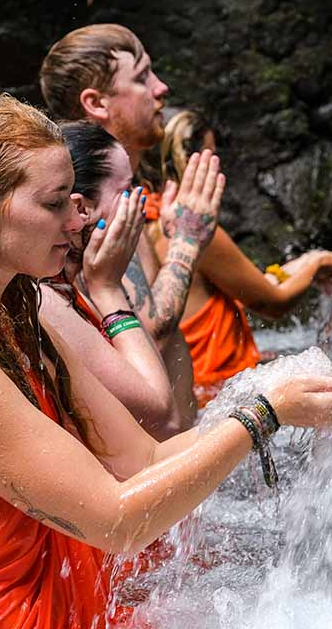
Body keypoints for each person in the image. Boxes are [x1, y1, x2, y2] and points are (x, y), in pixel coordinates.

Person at [0, 93, 332, 629]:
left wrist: (284, 396)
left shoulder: (17, 305)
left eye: (76, 199)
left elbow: (142, 462)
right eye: (55, 203)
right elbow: (119, 522)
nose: (79, 218)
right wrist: (265, 413)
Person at [40, 23, 208, 422]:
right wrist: (186, 241)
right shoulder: (96, 206)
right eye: (142, 77)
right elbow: (148, 333)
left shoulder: (119, 194)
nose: (161, 88)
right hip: (153, 464)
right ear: (96, 103)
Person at [142, 110, 332, 404]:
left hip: (190, 395)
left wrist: (297, 266)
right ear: (193, 164)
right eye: (212, 156)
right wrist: (316, 263)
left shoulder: (147, 220)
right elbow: (272, 303)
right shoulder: (193, 231)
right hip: (218, 396)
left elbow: (248, 285)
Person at [38, 121, 223, 439]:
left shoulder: (90, 264)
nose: (138, 202)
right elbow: (151, 340)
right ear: (81, 207)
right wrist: (186, 242)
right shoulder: (49, 296)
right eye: (127, 190)